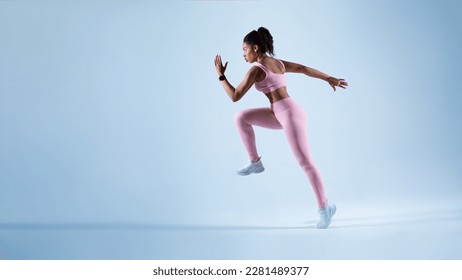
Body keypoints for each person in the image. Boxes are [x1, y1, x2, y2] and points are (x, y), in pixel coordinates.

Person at [214, 27, 348, 229]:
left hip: (290, 115)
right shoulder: (277, 63)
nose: (243, 54)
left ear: (256, 48)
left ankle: (325, 209)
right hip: (279, 112)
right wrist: (329, 77)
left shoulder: (257, 69)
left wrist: (221, 76)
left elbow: (235, 96)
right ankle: (255, 162)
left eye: (245, 49)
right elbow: (303, 69)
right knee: (242, 117)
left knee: (306, 163)